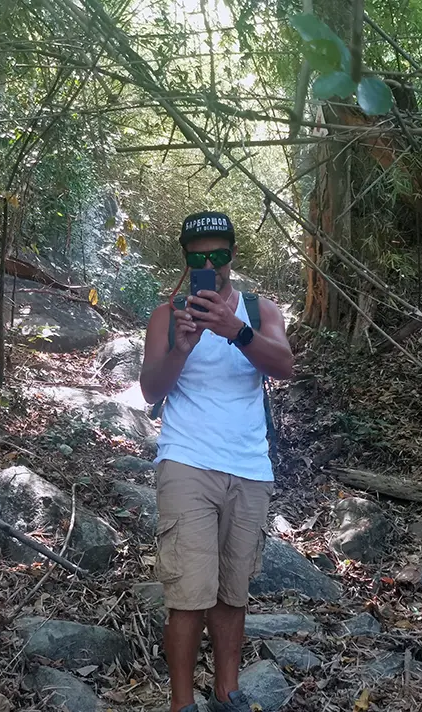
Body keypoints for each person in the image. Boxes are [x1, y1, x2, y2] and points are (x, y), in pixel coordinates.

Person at [139, 211, 294, 712]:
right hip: (186, 460)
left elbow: (285, 367)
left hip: (249, 467)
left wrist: (235, 331)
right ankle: (181, 704)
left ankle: (228, 695)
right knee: (187, 597)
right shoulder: (167, 315)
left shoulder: (260, 309)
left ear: (233, 254)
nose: (211, 264)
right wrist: (182, 348)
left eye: (219, 254)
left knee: (232, 594)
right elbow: (150, 391)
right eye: (199, 256)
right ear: (186, 259)